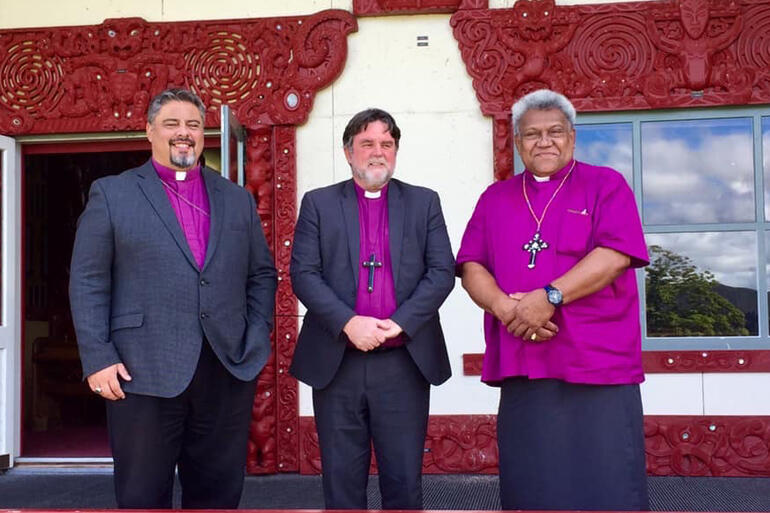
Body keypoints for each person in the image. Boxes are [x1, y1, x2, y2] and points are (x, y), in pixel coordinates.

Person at [69, 88, 277, 509]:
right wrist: (97, 356)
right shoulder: (112, 194)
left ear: (204, 135)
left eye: (194, 125)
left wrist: (256, 335)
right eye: (172, 124)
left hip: (225, 368)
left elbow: (262, 274)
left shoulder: (235, 198)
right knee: (143, 496)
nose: (184, 133)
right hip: (140, 372)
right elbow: (88, 280)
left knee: (217, 496)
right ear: (149, 131)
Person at [456, 89, 649, 511]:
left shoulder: (605, 185)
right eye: (531, 134)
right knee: (533, 484)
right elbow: (471, 266)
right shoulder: (495, 198)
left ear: (573, 138)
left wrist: (550, 296)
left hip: (597, 362)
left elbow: (616, 254)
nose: (544, 141)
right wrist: (508, 309)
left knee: (606, 480)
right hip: (525, 360)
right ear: (518, 142)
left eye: (555, 132)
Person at [289, 108, 454, 509]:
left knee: (403, 480)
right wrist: (348, 323)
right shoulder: (319, 203)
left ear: (396, 151)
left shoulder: (423, 202)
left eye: (386, 143)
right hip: (337, 362)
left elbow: (442, 271)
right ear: (348, 152)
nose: (377, 152)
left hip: (404, 361)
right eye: (367, 143)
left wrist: (399, 323)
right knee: (342, 482)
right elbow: (303, 273)